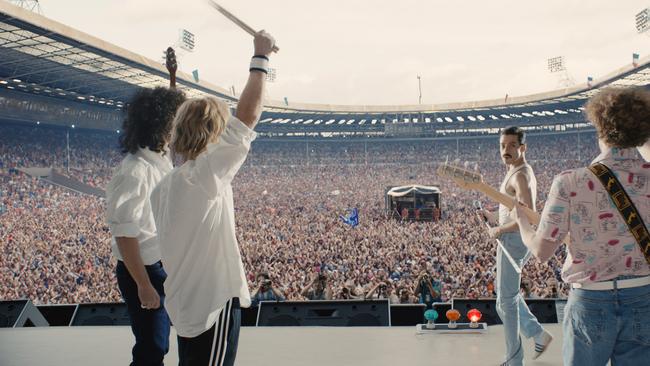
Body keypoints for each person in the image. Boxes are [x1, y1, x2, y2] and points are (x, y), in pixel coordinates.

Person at [150, 31, 276, 366]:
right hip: (212, 307)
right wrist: (260, 57)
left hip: (185, 303)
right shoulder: (203, 178)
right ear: (214, 135)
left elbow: (187, 134)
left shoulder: (165, 186)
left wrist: (175, 85)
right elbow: (247, 119)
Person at [511, 87, 650, 366]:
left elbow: (541, 250)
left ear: (600, 129)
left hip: (591, 300)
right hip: (644, 297)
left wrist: (521, 222)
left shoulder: (570, 181)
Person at [105, 86, 185, 366]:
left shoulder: (158, 156)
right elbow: (124, 235)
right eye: (175, 122)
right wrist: (143, 285)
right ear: (161, 125)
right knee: (151, 346)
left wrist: (172, 82)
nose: (180, 128)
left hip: (160, 264)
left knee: (160, 342)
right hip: (142, 270)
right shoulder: (134, 172)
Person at [476, 126, 552, 365]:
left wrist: (499, 229)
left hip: (513, 241)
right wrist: (493, 216)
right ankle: (538, 334)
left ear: (522, 147)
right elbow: (515, 209)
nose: (505, 150)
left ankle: (514, 359)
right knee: (507, 296)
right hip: (515, 239)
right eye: (502, 146)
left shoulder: (519, 175)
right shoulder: (517, 170)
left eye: (511, 145)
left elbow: (528, 216)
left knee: (505, 302)